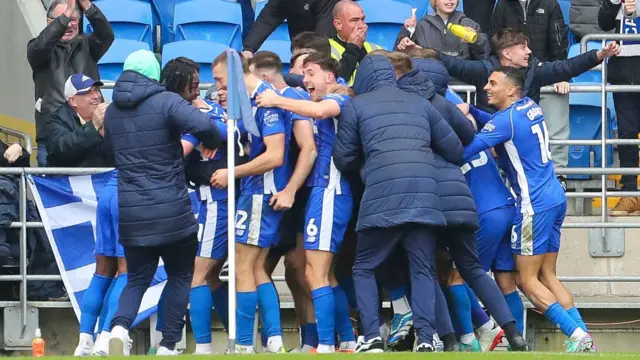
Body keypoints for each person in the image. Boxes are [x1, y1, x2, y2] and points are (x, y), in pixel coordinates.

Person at [333, 54, 463, 353]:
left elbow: (343, 159)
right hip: (424, 196)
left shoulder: (356, 106)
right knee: (423, 269)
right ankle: (427, 339)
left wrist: (371, 160)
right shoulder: (420, 104)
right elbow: (455, 149)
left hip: (381, 195)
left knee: (364, 267)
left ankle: (371, 337)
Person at [461, 66, 596, 353]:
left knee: (526, 280)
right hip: (556, 197)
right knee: (547, 275)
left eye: (492, 83)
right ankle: (584, 337)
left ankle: (576, 336)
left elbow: (468, 149)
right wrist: (472, 110)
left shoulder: (504, 121)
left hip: (533, 205)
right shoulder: (529, 107)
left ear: (511, 90)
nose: (486, 87)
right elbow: (500, 124)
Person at [104, 49, 221, 356]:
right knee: (181, 275)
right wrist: (209, 140)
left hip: (132, 212)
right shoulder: (166, 101)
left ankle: (117, 329)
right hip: (172, 209)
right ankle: (168, 344)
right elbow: (207, 127)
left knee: (136, 278)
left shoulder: (112, 111)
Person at [256, 52, 358, 354]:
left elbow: (321, 112)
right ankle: (345, 340)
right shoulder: (321, 99)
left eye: (310, 73)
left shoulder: (339, 99)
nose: (306, 80)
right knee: (320, 273)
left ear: (330, 76)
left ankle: (326, 344)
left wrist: (276, 101)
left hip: (331, 191)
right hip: (321, 192)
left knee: (316, 272)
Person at [209, 51, 291, 354]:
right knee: (257, 268)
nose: (218, 86)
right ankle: (274, 339)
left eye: (220, 80)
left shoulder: (263, 101)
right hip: (259, 191)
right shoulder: (253, 99)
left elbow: (275, 155)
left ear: (232, 73)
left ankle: (243, 343)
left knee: (242, 265)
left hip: (260, 192)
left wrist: (233, 172)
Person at [248, 51, 320, 353]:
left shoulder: (291, 100)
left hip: (294, 198)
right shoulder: (272, 101)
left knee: (300, 271)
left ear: (264, 78)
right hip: (272, 196)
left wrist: (291, 189)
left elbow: (309, 149)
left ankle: (318, 340)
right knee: (265, 268)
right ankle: (276, 340)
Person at [435, 28, 620, 114]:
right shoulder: (483, 69)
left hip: (522, 141)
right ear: (507, 53)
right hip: (491, 143)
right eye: (523, 48)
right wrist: (420, 52)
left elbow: (566, 68)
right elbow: (453, 64)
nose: (529, 52)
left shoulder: (535, 70)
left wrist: (598, 55)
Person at [491, 0, 571, 190]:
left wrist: (560, 75)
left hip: (546, 74)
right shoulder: (503, 4)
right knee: (514, 129)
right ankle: (510, 173)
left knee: (556, 130)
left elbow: (559, 41)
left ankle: (559, 175)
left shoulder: (550, 4)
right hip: (513, 78)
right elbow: (495, 39)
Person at [28, 0, 113, 166]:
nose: (68, 25)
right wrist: (66, 15)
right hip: (54, 133)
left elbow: (107, 35)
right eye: (62, 19)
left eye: (73, 20)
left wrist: (87, 6)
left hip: (93, 129)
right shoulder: (37, 48)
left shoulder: (88, 45)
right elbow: (40, 47)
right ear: (49, 23)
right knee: (54, 185)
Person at [598, 0, 640, 215]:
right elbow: (603, 23)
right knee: (626, 134)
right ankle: (630, 194)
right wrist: (614, 3)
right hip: (623, 72)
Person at [44, 74, 109, 167]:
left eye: (96, 90)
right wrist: (93, 126)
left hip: (103, 178)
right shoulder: (56, 119)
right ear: (73, 101)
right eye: (88, 92)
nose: (96, 96)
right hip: (68, 179)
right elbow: (60, 149)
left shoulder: (108, 115)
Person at [395, 0, 490, 61]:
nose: (450, 0)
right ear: (435, 2)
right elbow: (398, 56)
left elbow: (483, 57)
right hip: (431, 78)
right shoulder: (422, 26)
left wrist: (476, 40)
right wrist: (407, 31)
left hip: (462, 80)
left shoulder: (469, 24)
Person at [242, 0, 341, 58]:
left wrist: (308, 59)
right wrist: (248, 49)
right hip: (300, 50)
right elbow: (267, 19)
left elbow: (324, 36)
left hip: (329, 52)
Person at [329, 0, 383, 84]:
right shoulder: (325, 50)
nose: (361, 25)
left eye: (363, 19)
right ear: (338, 24)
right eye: (354, 20)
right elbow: (335, 81)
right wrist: (353, 47)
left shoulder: (376, 48)